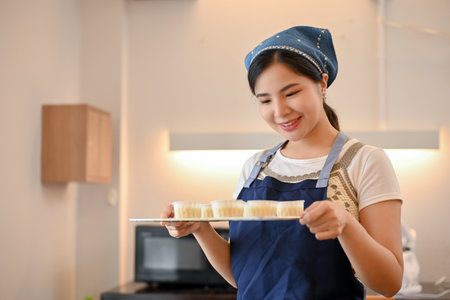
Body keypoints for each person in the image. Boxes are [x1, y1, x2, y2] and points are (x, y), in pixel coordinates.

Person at [161, 25, 403, 299]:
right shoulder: (255, 167)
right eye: (264, 100)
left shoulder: (364, 161)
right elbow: (245, 276)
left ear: (322, 83)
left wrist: (346, 224)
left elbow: (390, 282)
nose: (280, 111)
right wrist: (201, 229)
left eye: (290, 93)